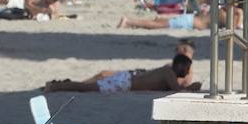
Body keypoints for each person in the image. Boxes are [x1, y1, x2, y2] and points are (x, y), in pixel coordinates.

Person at [44, 51, 199, 94]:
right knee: (86, 88)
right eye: (186, 69)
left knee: (88, 86)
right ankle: (56, 87)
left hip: (126, 79)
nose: (186, 73)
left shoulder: (166, 71)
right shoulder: (168, 73)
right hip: (124, 83)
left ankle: (61, 85)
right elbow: (176, 91)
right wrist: (192, 87)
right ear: (178, 65)